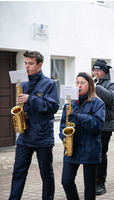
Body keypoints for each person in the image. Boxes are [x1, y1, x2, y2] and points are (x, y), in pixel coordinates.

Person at [9, 51, 60, 200]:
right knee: (18, 172)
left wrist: (30, 99)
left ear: (39, 65)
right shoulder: (23, 83)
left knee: (46, 173)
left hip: (42, 136)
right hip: (25, 135)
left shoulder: (49, 83)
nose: (27, 66)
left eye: (30, 63)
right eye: (25, 63)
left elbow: (53, 107)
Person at [60, 72, 105, 200]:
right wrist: (64, 137)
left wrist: (80, 117)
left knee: (90, 187)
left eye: (82, 83)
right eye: (77, 83)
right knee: (66, 181)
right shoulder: (70, 103)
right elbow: (63, 124)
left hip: (90, 147)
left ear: (89, 85)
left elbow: (97, 125)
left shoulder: (98, 103)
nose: (79, 86)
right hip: (72, 147)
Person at [92, 59, 114, 195]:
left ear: (104, 71)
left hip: (105, 124)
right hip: (91, 122)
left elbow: (111, 98)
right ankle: (91, 179)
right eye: (94, 70)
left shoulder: (113, 82)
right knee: (92, 153)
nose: (95, 73)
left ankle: (100, 182)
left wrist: (95, 88)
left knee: (101, 154)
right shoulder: (93, 81)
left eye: (98, 70)